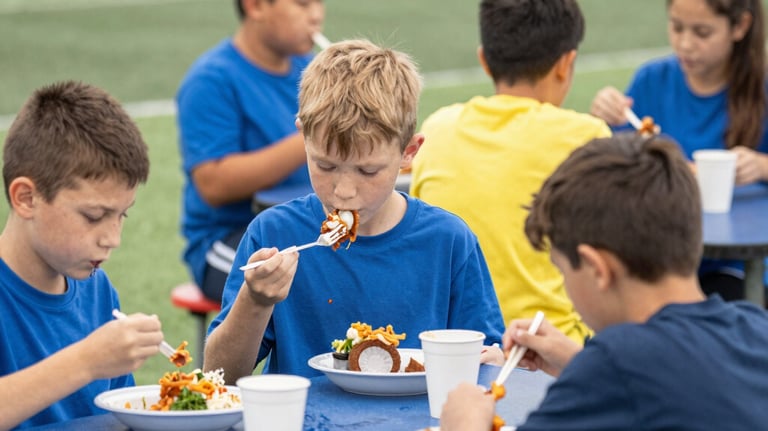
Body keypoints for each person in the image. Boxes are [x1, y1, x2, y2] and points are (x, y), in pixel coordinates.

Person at [203, 39, 505, 381]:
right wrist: (255, 301)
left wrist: (492, 361)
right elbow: (219, 376)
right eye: (326, 165)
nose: (343, 191)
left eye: (368, 171)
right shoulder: (273, 234)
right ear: (303, 137)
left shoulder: (448, 242)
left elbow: (489, 363)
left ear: (408, 152)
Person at [439, 133, 768, 431]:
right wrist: (577, 362)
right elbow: (683, 387)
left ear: (597, 269)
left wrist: (464, 423)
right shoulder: (754, 327)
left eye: (563, 271)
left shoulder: (615, 365)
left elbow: (629, 378)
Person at [409, 0, 610, 344]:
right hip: (549, 350)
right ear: (566, 63)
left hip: (454, 349)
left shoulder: (438, 129)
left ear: (484, 59)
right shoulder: (588, 137)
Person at [0, 81, 165, 429]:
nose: (113, 238)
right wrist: (85, 362)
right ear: (26, 198)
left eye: (122, 214)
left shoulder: (98, 291)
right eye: (93, 216)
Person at [590, 0, 768, 300]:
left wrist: (762, 166)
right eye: (676, 27)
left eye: (702, 32)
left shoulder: (761, 88)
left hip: (736, 263)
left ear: (740, 26)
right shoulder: (651, 80)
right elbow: (610, 168)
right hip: (659, 257)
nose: (685, 44)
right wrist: (602, 119)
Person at [176, 0, 325, 303]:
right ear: (255, 6)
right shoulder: (211, 80)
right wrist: (316, 134)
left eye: (319, 3)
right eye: (302, 4)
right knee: (319, 284)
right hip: (231, 237)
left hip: (304, 224)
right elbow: (214, 184)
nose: (316, 15)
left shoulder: (312, 70)